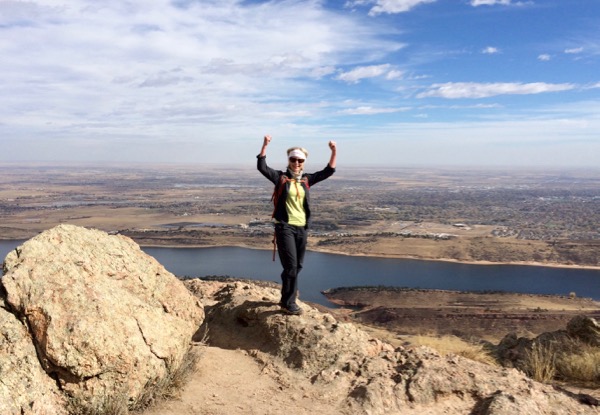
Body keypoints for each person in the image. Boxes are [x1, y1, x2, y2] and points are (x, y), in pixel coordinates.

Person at [257, 135, 337, 315]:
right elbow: (261, 167)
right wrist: (265, 145)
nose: (296, 163)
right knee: (291, 266)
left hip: (302, 227)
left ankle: (285, 299)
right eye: (293, 159)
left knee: (297, 266)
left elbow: (328, 171)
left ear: (304, 162)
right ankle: (290, 303)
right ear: (289, 160)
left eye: (300, 160)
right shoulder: (280, 178)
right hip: (284, 226)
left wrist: (333, 151)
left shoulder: (306, 180)